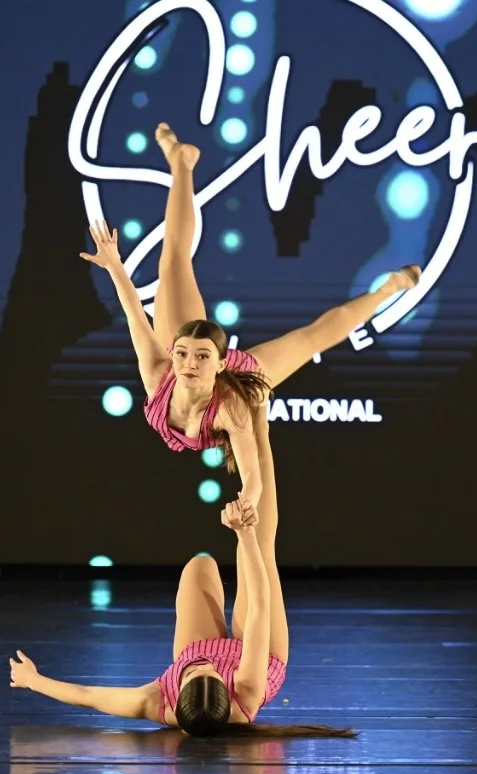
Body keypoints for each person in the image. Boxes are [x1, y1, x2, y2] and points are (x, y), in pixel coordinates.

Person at [79, 123, 420, 506]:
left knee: (310, 338)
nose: (188, 364)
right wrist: (115, 267)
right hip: (199, 353)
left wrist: (245, 505)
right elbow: (136, 319)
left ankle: (387, 289)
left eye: (201, 357)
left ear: (221, 362)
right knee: (172, 264)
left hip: (237, 379)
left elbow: (253, 477)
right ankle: (182, 160)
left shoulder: (230, 407)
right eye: (183, 355)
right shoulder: (168, 367)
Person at [9, 403, 354, 738]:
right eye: (213, 674)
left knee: (199, 566)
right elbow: (260, 607)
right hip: (263, 656)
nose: (206, 664)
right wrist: (244, 534)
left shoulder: (154, 702)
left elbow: (91, 697)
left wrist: (33, 681)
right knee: (260, 546)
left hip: (199, 660)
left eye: (193, 672)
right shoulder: (247, 687)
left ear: (176, 690)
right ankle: (259, 423)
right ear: (228, 688)